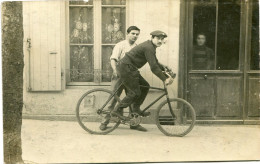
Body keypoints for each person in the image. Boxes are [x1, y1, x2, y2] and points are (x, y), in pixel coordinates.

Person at [111, 30, 174, 131]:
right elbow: (153, 67)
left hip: (131, 68)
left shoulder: (151, 47)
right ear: (152, 38)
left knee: (145, 86)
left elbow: (155, 62)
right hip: (126, 68)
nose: (160, 41)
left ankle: (136, 108)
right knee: (134, 92)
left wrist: (164, 68)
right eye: (158, 38)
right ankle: (117, 110)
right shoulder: (149, 47)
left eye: (162, 39)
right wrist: (165, 79)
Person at [99, 26, 141, 131]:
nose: (135, 36)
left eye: (137, 34)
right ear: (127, 34)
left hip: (130, 76)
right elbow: (113, 59)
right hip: (119, 75)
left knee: (131, 97)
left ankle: (133, 123)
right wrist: (115, 70)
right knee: (113, 98)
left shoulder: (137, 47)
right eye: (133, 33)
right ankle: (104, 122)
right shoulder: (120, 45)